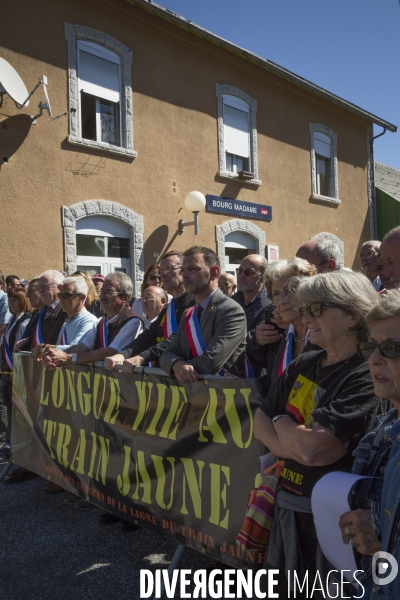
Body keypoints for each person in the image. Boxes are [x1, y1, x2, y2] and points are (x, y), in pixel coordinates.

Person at [254, 270, 382, 597]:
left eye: (316, 309)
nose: (304, 316)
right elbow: (258, 422)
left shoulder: (366, 374)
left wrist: (281, 422)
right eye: (304, 308)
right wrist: (296, 441)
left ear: (353, 315)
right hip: (288, 506)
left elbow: (316, 450)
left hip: (333, 523)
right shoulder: (305, 362)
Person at [338, 290, 400, 599]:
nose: (374, 359)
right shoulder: (382, 432)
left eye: (390, 348)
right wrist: (368, 532)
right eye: (371, 347)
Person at [160, 246, 246, 382]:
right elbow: (167, 355)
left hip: (222, 396)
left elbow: (210, 363)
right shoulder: (188, 314)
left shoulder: (230, 311)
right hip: (193, 396)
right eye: (183, 270)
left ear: (214, 272)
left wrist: (180, 368)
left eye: (193, 269)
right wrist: (177, 364)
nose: (185, 275)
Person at [104, 251, 195, 373]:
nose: (163, 274)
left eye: (168, 268)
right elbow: (147, 337)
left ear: (183, 270)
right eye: (161, 270)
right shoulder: (168, 308)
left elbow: (177, 338)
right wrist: (122, 355)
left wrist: (142, 357)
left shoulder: (193, 303)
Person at [43, 272, 143, 369]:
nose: (103, 296)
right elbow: (82, 347)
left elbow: (111, 351)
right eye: (102, 291)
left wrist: (69, 358)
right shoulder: (100, 322)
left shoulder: (133, 322)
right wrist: (54, 356)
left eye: (109, 292)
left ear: (125, 298)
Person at [247, 258, 317, 381]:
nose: (282, 300)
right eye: (276, 294)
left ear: (307, 289)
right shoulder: (281, 334)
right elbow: (271, 381)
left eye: (289, 290)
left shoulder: (323, 333)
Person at [0, 289, 33, 458]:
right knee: (8, 404)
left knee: (17, 407)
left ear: (24, 301)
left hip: (16, 370)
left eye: (16, 300)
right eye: (10, 299)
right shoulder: (13, 319)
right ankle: (10, 440)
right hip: (6, 370)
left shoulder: (25, 320)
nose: (12, 303)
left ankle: (18, 443)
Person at [31, 277, 98, 359]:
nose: (61, 300)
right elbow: (59, 351)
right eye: (60, 295)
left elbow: (76, 349)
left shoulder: (89, 321)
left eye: (66, 295)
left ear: (82, 298)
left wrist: (43, 347)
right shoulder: (66, 323)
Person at [24, 270, 66, 350]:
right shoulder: (43, 311)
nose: (41, 290)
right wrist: (28, 341)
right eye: (40, 287)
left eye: (45, 286)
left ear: (59, 288)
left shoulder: (65, 310)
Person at [232, 254, 274, 331]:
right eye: (240, 270)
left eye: (248, 272)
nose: (241, 276)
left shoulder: (270, 306)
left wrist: (254, 337)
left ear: (263, 277)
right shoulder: (232, 301)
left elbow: (263, 338)